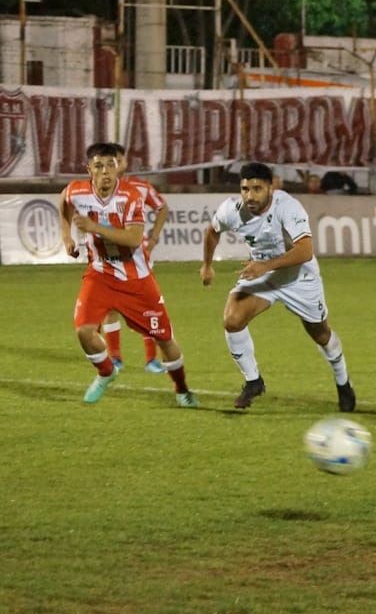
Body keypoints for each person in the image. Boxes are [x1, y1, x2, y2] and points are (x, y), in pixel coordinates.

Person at [201, 162, 356, 412]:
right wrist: (207, 265)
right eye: (245, 189)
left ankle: (343, 382)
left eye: (257, 189)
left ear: (271, 188)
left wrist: (265, 266)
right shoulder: (232, 209)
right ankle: (253, 381)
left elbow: (305, 251)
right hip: (265, 276)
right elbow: (212, 231)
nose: (250, 196)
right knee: (232, 319)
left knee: (320, 334)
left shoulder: (288, 206)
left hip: (300, 278)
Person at [59, 142, 197, 407]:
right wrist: (67, 237)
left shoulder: (131, 195)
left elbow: (134, 239)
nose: (106, 171)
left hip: (137, 281)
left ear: (118, 167)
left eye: (110, 165)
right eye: (99, 166)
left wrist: (93, 227)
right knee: (84, 332)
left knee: (165, 340)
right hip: (99, 275)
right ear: (89, 169)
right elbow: (64, 202)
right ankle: (106, 373)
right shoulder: (77, 190)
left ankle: (181, 389)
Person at [100, 143, 170, 374]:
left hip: (137, 258)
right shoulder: (97, 189)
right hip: (108, 258)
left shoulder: (140, 187)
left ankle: (151, 360)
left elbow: (162, 207)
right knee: (109, 308)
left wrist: (154, 236)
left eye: (118, 161)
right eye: (110, 162)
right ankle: (115, 358)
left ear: (125, 162)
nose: (114, 166)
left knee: (147, 307)